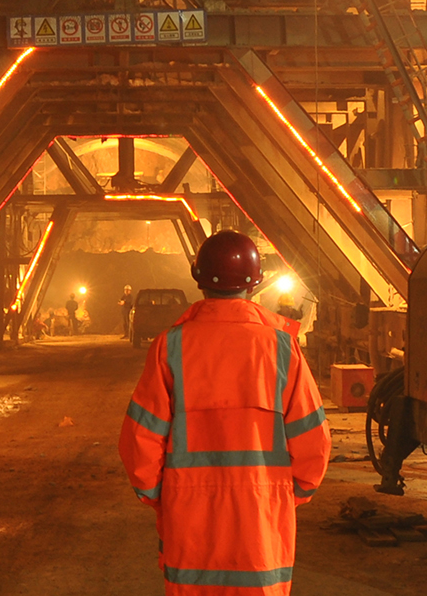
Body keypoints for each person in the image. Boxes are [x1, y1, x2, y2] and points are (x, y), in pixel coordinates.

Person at [118, 230, 330, 595]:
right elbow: (314, 442)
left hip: (188, 519)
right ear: (255, 283)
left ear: (199, 279)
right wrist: (281, 494)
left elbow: (140, 440)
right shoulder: (281, 348)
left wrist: (162, 498)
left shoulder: (171, 347)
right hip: (262, 522)